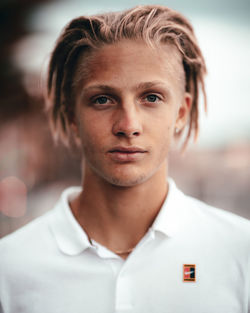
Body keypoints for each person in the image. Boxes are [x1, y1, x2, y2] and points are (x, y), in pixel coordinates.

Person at [0, 5, 249, 313]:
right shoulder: (9, 268)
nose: (128, 125)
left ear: (181, 113)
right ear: (71, 113)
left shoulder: (241, 253)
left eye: (151, 98)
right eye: (102, 99)